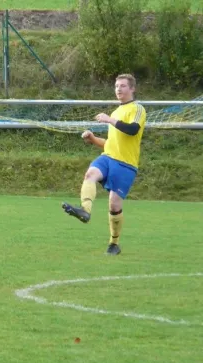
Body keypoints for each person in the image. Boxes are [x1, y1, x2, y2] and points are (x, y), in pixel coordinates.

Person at [62, 73, 146, 256]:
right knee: (90, 174)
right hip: (108, 157)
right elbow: (111, 143)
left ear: (132, 89)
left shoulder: (137, 108)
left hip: (125, 164)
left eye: (123, 86)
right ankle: (85, 210)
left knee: (114, 205)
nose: (118, 89)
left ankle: (114, 244)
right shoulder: (116, 112)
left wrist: (109, 120)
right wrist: (93, 139)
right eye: (116, 86)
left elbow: (132, 130)